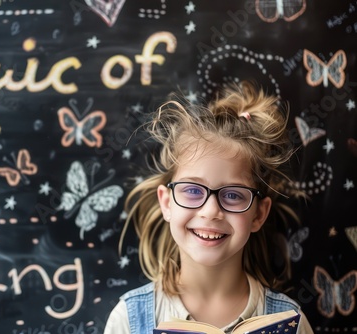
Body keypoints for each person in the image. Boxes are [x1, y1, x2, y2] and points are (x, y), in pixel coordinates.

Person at [103, 81, 314, 334]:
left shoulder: (291, 321)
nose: (211, 211)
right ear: (167, 203)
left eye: (233, 195)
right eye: (192, 191)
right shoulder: (129, 318)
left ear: (258, 214)